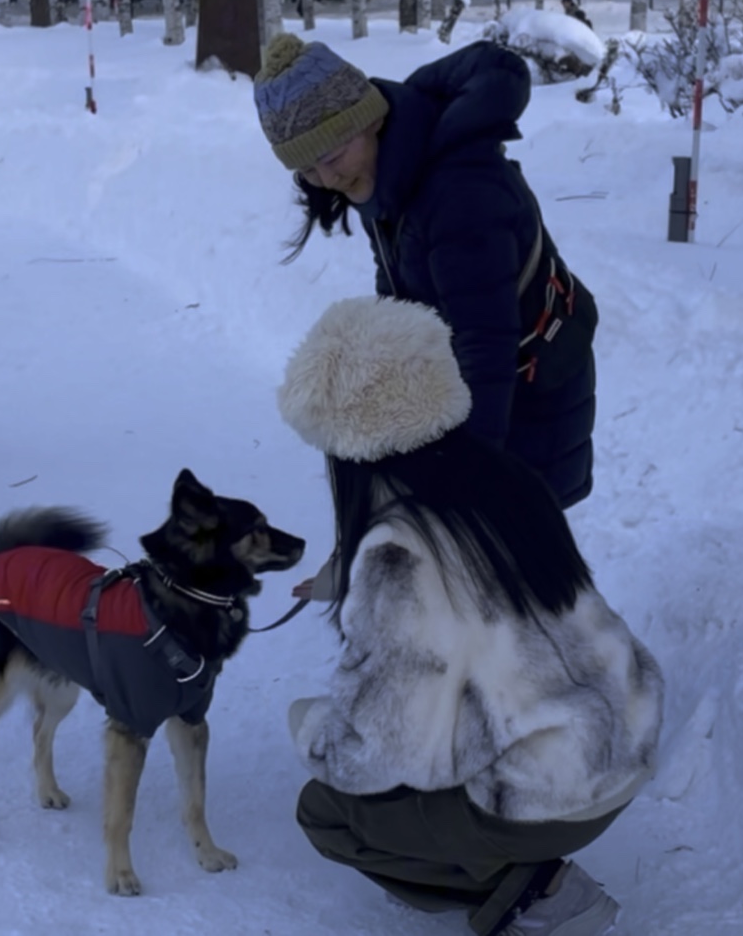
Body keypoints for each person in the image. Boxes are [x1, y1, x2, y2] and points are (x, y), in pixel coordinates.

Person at [275, 295, 664, 936]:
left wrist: (310, 728)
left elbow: (382, 750)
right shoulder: (508, 485)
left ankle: (538, 894)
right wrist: (344, 575)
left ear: (344, 445)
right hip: (623, 737)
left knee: (326, 809)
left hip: (547, 794)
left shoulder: (398, 553)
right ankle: (522, 872)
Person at [254, 32, 600, 601]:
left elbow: (485, 343)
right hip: (489, 380)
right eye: (308, 170)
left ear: (366, 119)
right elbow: (401, 292)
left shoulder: (459, 191)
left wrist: (470, 479)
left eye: (333, 155)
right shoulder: (387, 173)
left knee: (519, 577)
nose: (328, 179)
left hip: (527, 387)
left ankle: (577, 678)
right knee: (485, 572)